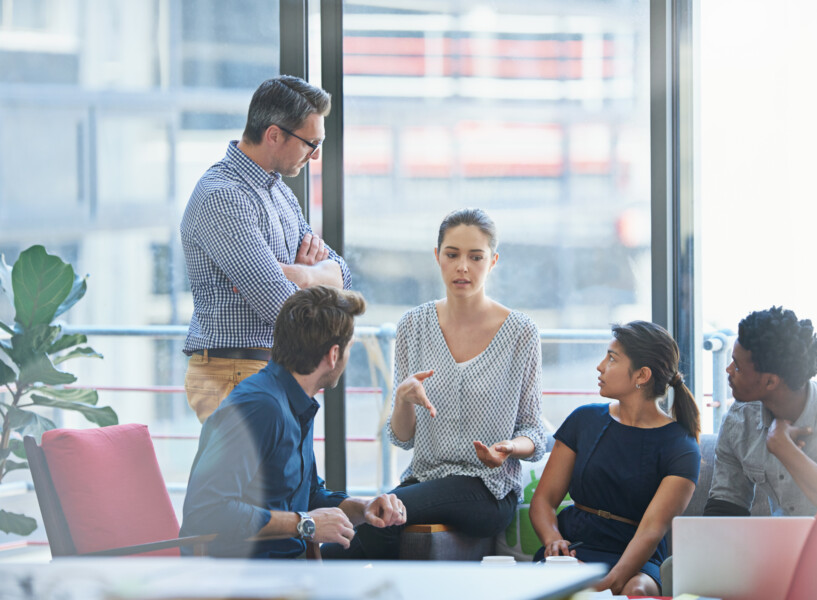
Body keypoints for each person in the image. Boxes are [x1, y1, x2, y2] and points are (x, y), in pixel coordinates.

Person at [322, 208, 546, 559]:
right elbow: (402, 437)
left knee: (378, 515)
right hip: (424, 482)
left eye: (476, 257)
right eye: (452, 254)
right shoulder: (413, 325)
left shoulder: (521, 332)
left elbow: (535, 431)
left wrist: (507, 449)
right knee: (383, 523)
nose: (463, 267)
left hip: (488, 490)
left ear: (493, 260)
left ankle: (310, 571)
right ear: (437, 256)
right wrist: (402, 401)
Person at [180, 286, 404, 558]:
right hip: (240, 578)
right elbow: (207, 511)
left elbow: (305, 496)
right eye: (350, 349)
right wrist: (305, 524)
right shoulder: (260, 407)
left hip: (286, 571)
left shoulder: (294, 400)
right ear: (334, 355)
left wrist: (363, 508)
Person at [181, 75, 351, 423]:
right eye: (310, 143)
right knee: (255, 479)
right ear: (273, 135)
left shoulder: (279, 192)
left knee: (286, 479)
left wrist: (300, 274)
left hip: (269, 370)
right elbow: (281, 308)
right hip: (235, 372)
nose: (315, 156)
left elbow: (343, 275)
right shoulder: (224, 197)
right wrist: (313, 284)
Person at [529, 321, 701, 596]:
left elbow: (651, 530)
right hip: (575, 546)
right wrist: (554, 542)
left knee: (638, 590)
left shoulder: (681, 445)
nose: (600, 366)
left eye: (612, 358)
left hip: (637, 557)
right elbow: (543, 502)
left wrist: (610, 582)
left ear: (641, 375)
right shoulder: (583, 420)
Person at [704, 306, 817, 517]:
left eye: (737, 366)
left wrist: (785, 450)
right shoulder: (739, 420)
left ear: (770, 381)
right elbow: (725, 506)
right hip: (781, 545)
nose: (727, 370)